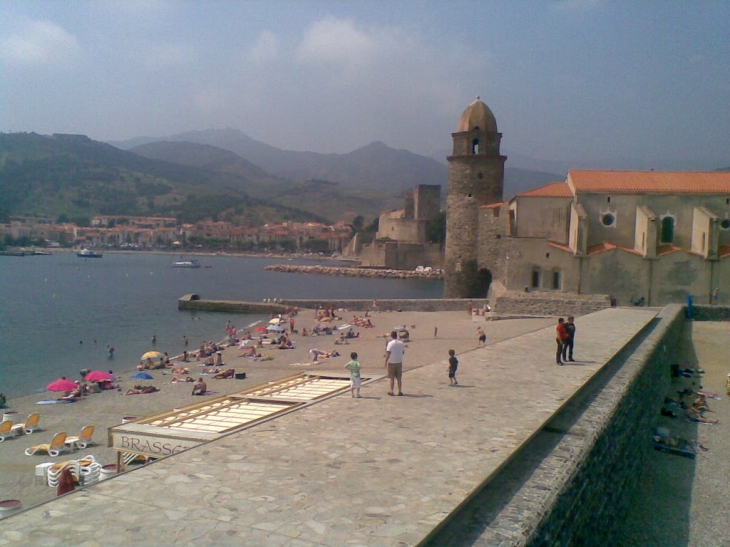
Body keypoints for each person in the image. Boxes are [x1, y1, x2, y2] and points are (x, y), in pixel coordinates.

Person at [385, 331, 405, 396]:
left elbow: (388, 353)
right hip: (399, 362)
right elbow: (403, 352)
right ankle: (400, 391)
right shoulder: (401, 343)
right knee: (399, 378)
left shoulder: (390, 343)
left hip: (392, 362)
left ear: (391, 336)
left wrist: (385, 361)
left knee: (392, 377)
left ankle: (392, 391)